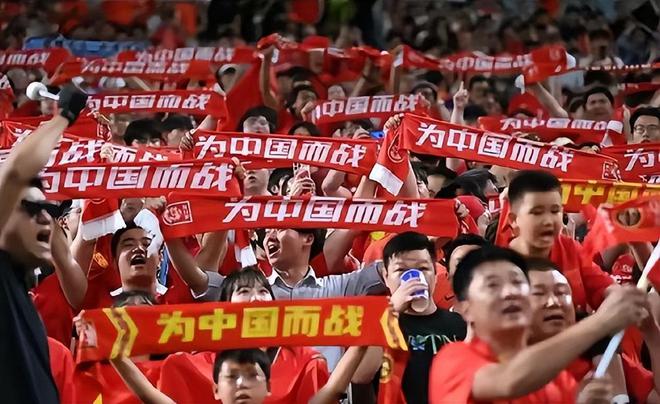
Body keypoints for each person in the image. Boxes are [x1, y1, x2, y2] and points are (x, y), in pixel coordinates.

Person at [429, 245, 648, 403]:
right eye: (493, 286)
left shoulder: (556, 378)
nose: (510, 293)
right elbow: (510, 380)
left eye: (517, 283)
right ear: (466, 309)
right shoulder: (452, 360)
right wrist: (600, 322)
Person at [0, 85, 88, 403]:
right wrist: (64, 116)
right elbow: (14, 173)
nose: (44, 218)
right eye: (31, 208)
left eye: (49, 210)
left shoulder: (22, 300)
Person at [526, 258, 660, 403]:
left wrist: (651, 333)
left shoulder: (605, 356)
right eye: (538, 293)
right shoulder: (514, 374)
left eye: (561, 293)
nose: (554, 302)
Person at [355, 232, 466, 404]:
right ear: (386, 277)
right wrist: (392, 311)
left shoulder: (459, 324)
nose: (414, 277)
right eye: (401, 270)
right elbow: (360, 377)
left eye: (423, 269)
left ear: (435, 274)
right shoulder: (377, 324)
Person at [506, 170, 614, 311]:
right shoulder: (500, 263)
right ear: (514, 220)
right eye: (537, 212)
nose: (548, 221)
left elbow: (606, 288)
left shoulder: (570, 248)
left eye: (555, 211)